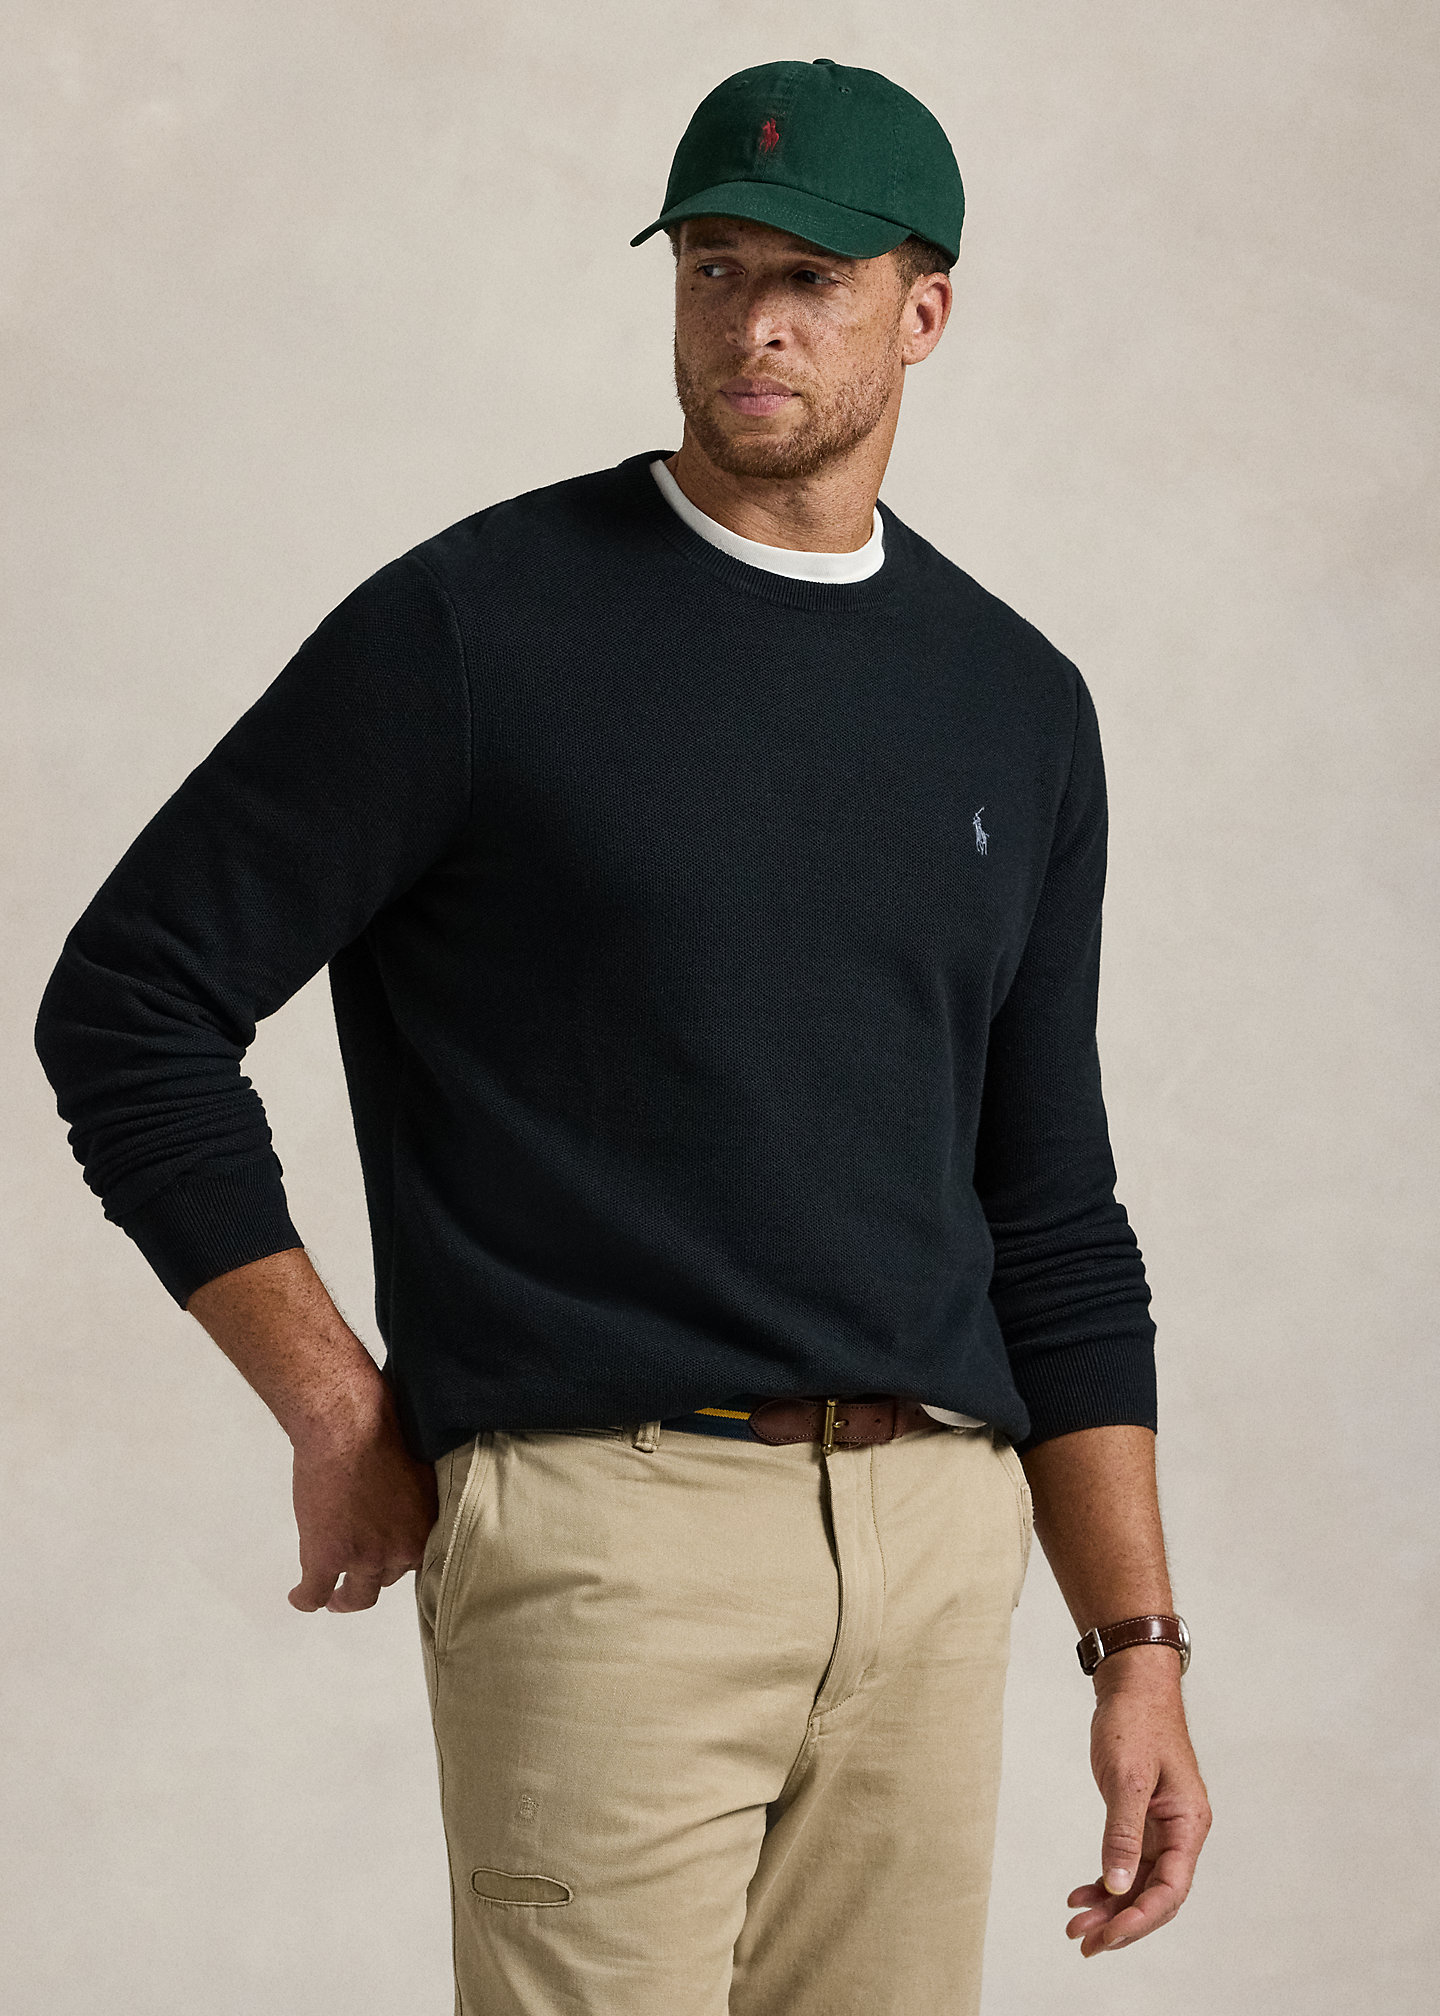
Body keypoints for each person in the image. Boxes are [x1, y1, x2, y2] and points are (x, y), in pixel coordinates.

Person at [33, 54, 1211, 2016]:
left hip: (934, 1547)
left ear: (925, 312)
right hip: (606, 1532)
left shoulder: (1016, 703)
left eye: (811, 280)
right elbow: (130, 1002)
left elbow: (1054, 1211)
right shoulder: (476, 632)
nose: (754, 324)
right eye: (714, 267)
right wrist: (333, 1404)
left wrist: (1138, 1645)